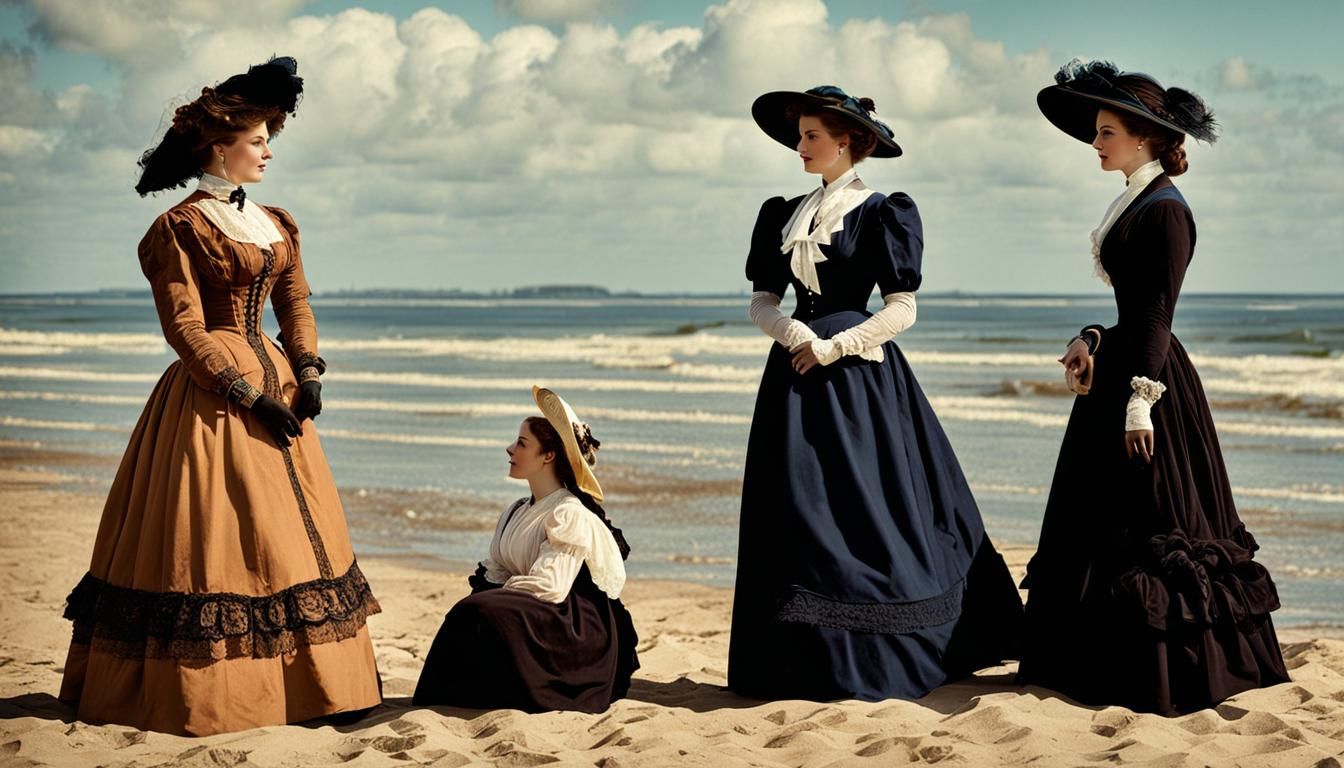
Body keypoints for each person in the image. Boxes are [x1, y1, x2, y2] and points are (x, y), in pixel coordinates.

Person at [58, 56, 382, 735]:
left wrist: (309, 370)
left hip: (280, 387)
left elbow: (295, 304)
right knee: (218, 544)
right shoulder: (179, 228)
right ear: (220, 146)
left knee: (293, 542)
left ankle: (317, 691)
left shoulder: (277, 222)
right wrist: (240, 390)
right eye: (258, 140)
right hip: (211, 400)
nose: (268, 151)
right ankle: (218, 700)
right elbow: (184, 328)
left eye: (269, 140)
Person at [727, 86, 1024, 702]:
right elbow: (761, 300)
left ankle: (884, 651)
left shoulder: (883, 210)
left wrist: (833, 347)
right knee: (800, 512)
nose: (800, 146)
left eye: (811, 136)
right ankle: (795, 662)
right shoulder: (784, 211)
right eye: (800, 135)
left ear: (847, 142)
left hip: (859, 381)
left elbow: (902, 310)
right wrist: (794, 335)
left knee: (868, 512)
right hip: (794, 377)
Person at [1019, 59, 1290, 714]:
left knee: (1158, 528)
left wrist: (1140, 400)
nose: (1096, 142)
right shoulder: (1139, 199)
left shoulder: (1167, 210)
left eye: (1106, 130)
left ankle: (1171, 674)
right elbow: (1129, 312)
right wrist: (1089, 338)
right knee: (1101, 525)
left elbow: (1157, 317)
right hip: (1126, 366)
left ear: (1141, 135)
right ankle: (1090, 665)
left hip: (1152, 382)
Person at [412, 387, 638, 713]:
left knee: (480, 611)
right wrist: (492, 594)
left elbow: (551, 586)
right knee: (473, 610)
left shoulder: (568, 512)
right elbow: (498, 570)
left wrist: (497, 597)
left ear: (548, 456)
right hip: (535, 606)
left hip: (571, 624)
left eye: (521, 443)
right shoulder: (516, 510)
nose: (510, 448)